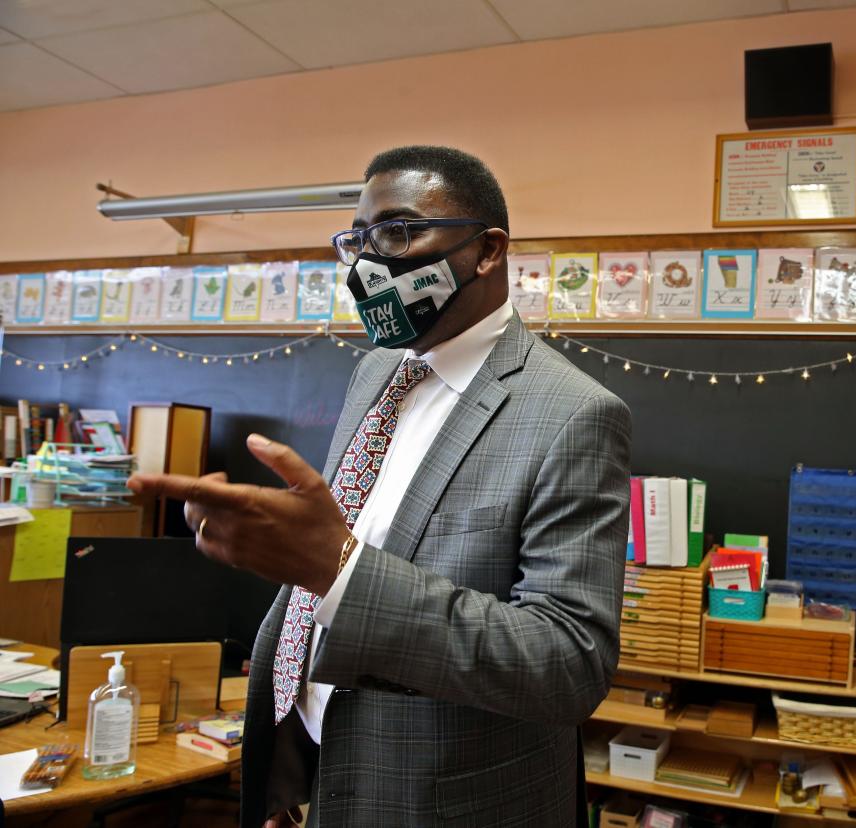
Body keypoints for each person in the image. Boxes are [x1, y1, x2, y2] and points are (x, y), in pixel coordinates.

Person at [128, 146, 632, 827]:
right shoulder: (375, 373)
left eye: (398, 232)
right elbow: (339, 558)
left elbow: (568, 663)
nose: (369, 263)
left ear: (487, 250)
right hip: (324, 770)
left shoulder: (574, 413)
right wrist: (291, 760)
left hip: (445, 798)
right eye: (357, 240)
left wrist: (338, 571)